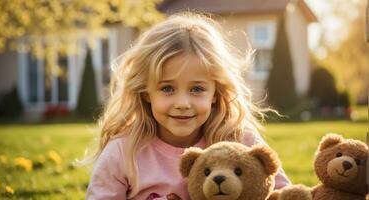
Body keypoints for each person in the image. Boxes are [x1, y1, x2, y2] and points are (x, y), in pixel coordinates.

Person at [85, 12, 291, 200]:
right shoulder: (123, 151)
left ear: (215, 92)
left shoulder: (240, 140)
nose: (182, 104)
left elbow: (282, 194)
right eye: (167, 89)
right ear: (146, 92)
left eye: (197, 89)